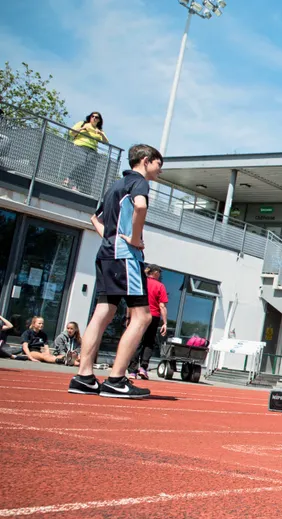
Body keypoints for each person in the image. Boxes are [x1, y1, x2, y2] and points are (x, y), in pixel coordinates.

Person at [68, 144, 163, 399]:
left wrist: (110, 239)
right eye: (158, 164)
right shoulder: (139, 183)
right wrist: (132, 239)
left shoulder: (115, 186)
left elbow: (94, 219)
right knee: (142, 317)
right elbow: (141, 207)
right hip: (125, 256)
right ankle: (116, 379)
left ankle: (84, 377)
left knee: (102, 313)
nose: (159, 171)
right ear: (145, 161)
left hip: (107, 254)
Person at [127, 264, 169, 379]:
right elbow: (162, 306)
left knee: (137, 341)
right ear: (155, 273)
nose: (159, 275)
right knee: (149, 342)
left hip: (139, 314)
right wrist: (164, 323)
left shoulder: (140, 283)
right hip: (153, 316)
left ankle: (132, 370)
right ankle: (143, 368)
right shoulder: (160, 286)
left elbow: (131, 301)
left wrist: (128, 317)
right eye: (159, 273)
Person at [66, 112, 108, 193]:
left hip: (92, 150)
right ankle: (68, 179)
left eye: (97, 117)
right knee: (81, 163)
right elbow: (71, 132)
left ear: (99, 120)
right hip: (80, 146)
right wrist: (82, 129)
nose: (94, 118)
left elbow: (106, 142)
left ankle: (76, 186)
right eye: (93, 116)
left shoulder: (99, 130)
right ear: (90, 117)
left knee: (85, 168)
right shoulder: (82, 123)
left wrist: (101, 134)